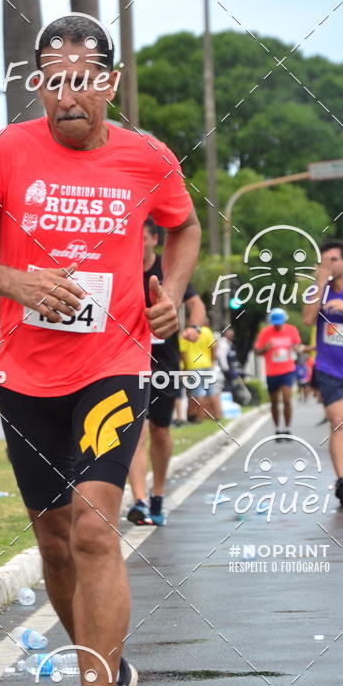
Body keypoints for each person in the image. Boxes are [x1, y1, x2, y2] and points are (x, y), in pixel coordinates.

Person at [0, 13, 201, 686]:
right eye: (53, 81)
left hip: (114, 363)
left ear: (109, 83)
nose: (67, 96)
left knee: (92, 529)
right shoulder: (7, 153)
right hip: (26, 377)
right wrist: (16, 281)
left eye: (82, 81)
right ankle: (108, 667)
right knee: (53, 542)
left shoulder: (147, 158)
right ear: (39, 84)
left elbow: (183, 229)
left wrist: (171, 292)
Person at [126, 218, 205, 527]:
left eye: (142, 238)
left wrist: (194, 327)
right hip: (128, 359)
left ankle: (157, 493)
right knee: (135, 430)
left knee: (160, 430)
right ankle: (139, 500)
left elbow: (196, 304)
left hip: (164, 362)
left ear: (154, 240)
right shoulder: (123, 267)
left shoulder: (168, 268)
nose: (136, 245)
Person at [302, 239, 343, 506]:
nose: (328, 265)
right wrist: (320, 283)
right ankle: (341, 480)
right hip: (328, 369)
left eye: (333, 260)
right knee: (338, 422)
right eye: (324, 261)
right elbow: (307, 319)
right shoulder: (318, 290)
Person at [254, 307, 301, 438]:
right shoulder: (265, 332)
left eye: (279, 323)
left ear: (284, 320)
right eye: (275, 323)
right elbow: (257, 351)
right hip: (272, 372)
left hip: (287, 369)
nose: (277, 325)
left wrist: (297, 349)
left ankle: (287, 428)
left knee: (286, 398)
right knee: (274, 401)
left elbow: (297, 345)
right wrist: (265, 348)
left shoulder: (292, 330)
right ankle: (278, 428)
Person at [178, 320, 221, 421]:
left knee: (198, 393)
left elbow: (183, 353)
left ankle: (200, 417)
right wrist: (212, 362)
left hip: (193, 365)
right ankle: (217, 415)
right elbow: (213, 347)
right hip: (207, 364)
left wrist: (185, 368)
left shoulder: (185, 334)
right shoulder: (207, 331)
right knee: (211, 391)